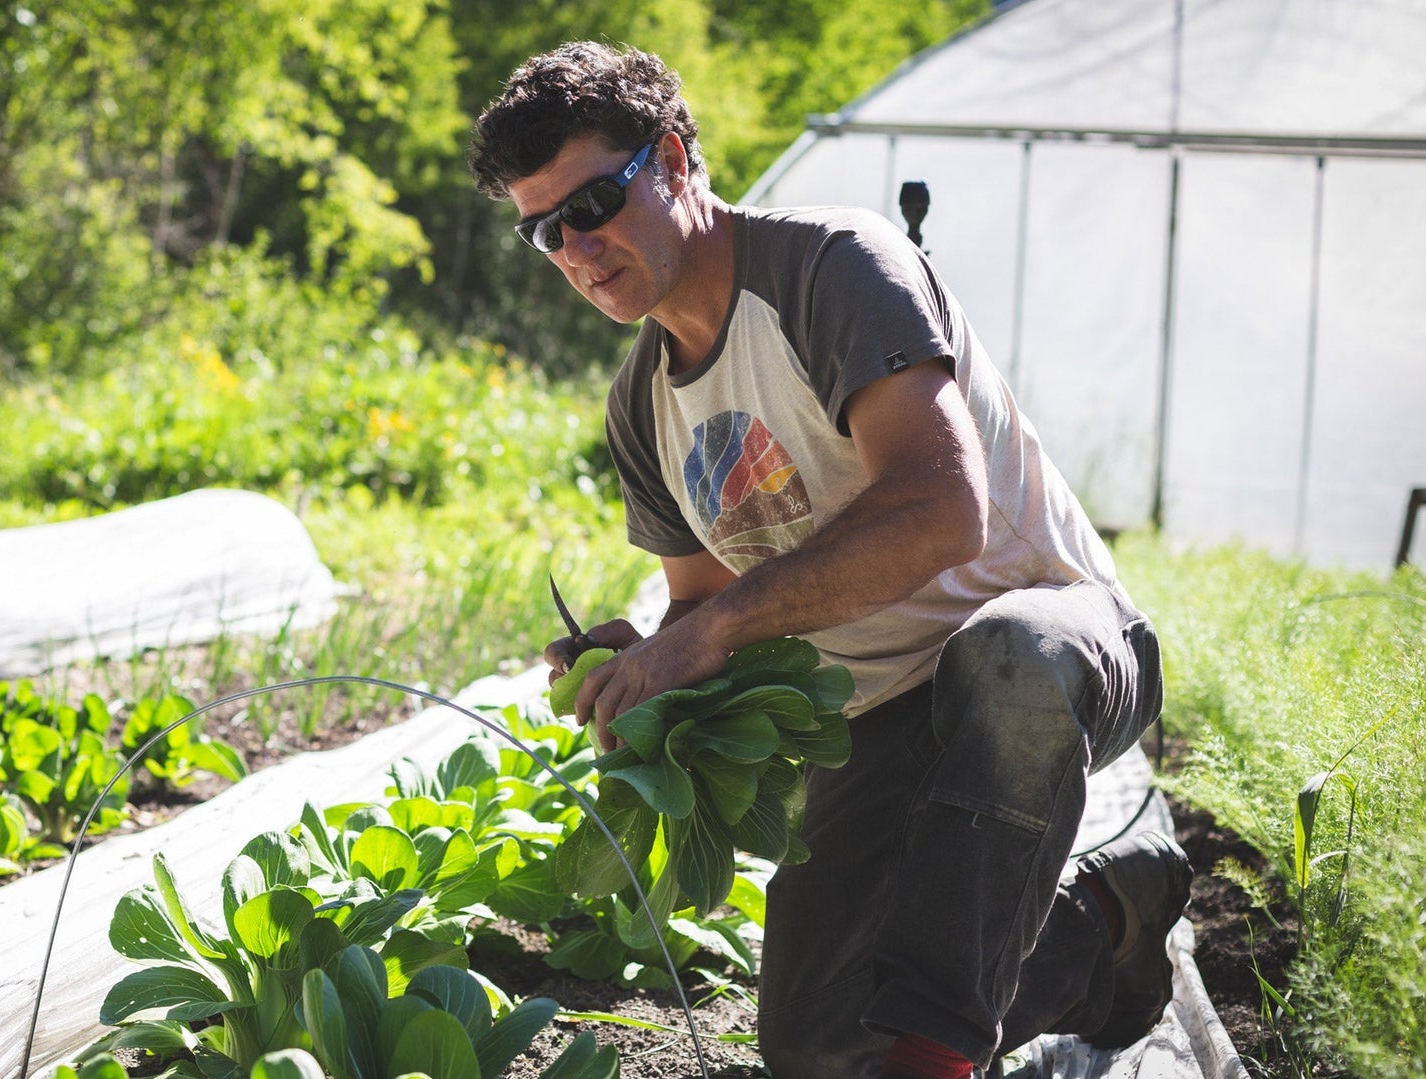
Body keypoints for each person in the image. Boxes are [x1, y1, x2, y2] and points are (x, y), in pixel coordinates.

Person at [468, 41, 1192, 1079]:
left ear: (672, 161)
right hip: (879, 711)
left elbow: (945, 513)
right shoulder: (642, 405)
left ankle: (940, 1053)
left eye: (590, 205)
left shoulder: (831, 268)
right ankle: (1106, 914)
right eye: (544, 231)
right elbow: (706, 603)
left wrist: (710, 632)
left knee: (1007, 660)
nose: (575, 248)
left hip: (1054, 644)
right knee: (815, 1043)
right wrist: (653, 656)